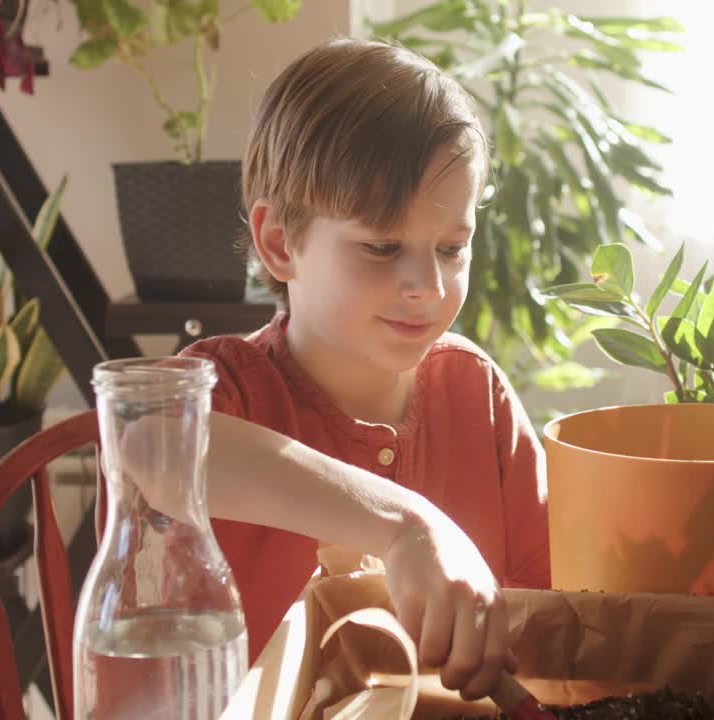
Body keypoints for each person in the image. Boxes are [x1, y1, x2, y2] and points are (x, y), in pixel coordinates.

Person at [162, 38, 548, 700]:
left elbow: (550, 612)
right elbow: (160, 448)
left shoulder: (477, 395)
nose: (426, 285)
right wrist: (406, 525)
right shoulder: (227, 388)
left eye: (452, 248)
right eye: (382, 246)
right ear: (281, 243)